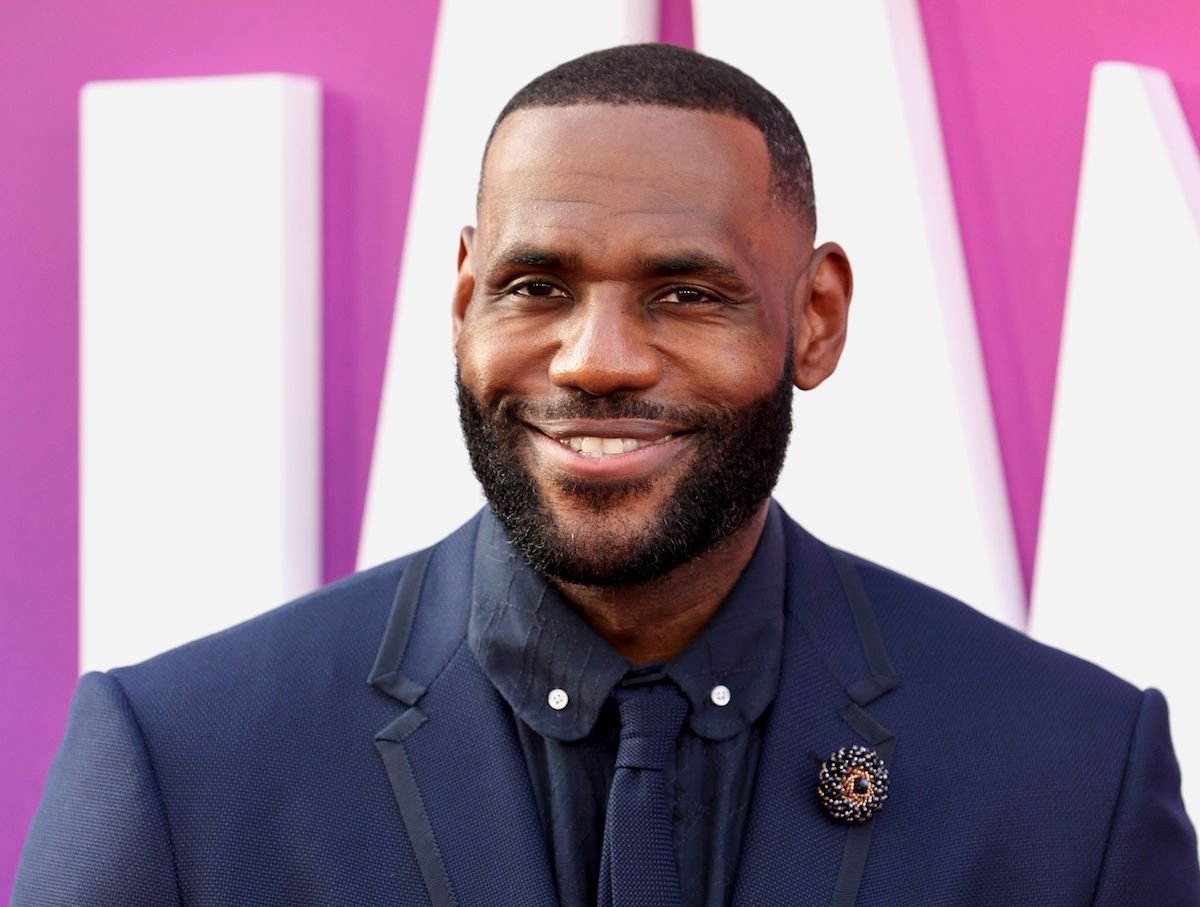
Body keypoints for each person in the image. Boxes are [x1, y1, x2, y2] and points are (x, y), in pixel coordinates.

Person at [14, 43, 1199, 907]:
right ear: (464, 297)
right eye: (537, 287)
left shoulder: (1071, 773)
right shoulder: (182, 761)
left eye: (686, 292)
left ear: (818, 318)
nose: (597, 360)